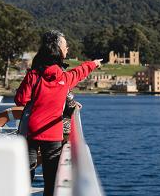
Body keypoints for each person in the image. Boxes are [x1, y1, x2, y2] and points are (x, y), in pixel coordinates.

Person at [14, 30, 101, 196]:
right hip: (53, 134)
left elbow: (20, 100)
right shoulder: (65, 78)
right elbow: (80, 72)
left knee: (25, 175)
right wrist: (93, 64)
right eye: (65, 46)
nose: (67, 49)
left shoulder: (33, 75)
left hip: (31, 132)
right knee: (51, 179)